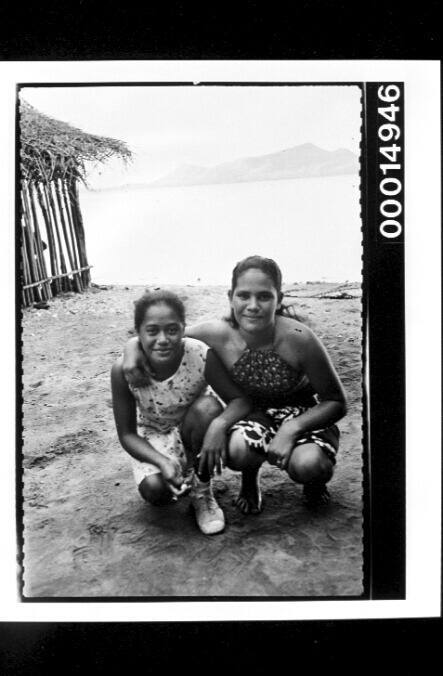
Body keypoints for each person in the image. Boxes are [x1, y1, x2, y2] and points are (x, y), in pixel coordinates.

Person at [123, 256, 347, 515]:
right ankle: (250, 481)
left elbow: (337, 402)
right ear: (231, 297)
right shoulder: (217, 333)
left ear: (279, 299)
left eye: (264, 296)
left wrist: (292, 429)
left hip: (302, 416)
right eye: (244, 296)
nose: (253, 306)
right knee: (237, 451)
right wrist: (131, 347)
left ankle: (314, 484)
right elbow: (167, 336)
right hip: (252, 414)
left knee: (309, 466)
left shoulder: (299, 338)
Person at [111, 289, 251, 535]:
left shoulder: (199, 354)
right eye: (152, 331)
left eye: (172, 330)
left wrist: (218, 426)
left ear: (184, 328)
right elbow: (127, 435)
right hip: (153, 434)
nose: (163, 339)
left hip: (193, 426)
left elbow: (240, 400)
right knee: (155, 492)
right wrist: (162, 461)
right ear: (138, 333)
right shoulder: (124, 370)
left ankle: (202, 491)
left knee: (208, 407)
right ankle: (175, 470)